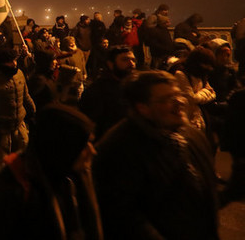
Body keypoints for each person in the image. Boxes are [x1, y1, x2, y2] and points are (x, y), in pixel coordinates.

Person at [93, 71, 220, 240]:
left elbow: (202, 195)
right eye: (167, 99)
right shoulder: (118, 150)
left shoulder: (191, 136)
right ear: (142, 107)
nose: (179, 103)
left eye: (178, 95)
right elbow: (121, 216)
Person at [0, 104, 102, 240]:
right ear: (62, 146)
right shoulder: (8, 191)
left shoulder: (69, 177)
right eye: (84, 145)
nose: (92, 151)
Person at [0, 48, 35, 167]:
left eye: (14, 60)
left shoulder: (19, 74)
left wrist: (32, 111)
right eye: (10, 61)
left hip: (19, 125)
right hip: (1, 129)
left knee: (22, 158)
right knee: (2, 163)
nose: (14, 63)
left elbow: (25, 95)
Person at [79, 46, 137, 140]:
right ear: (110, 64)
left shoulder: (136, 86)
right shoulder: (97, 91)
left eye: (133, 60)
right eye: (125, 60)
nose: (131, 64)